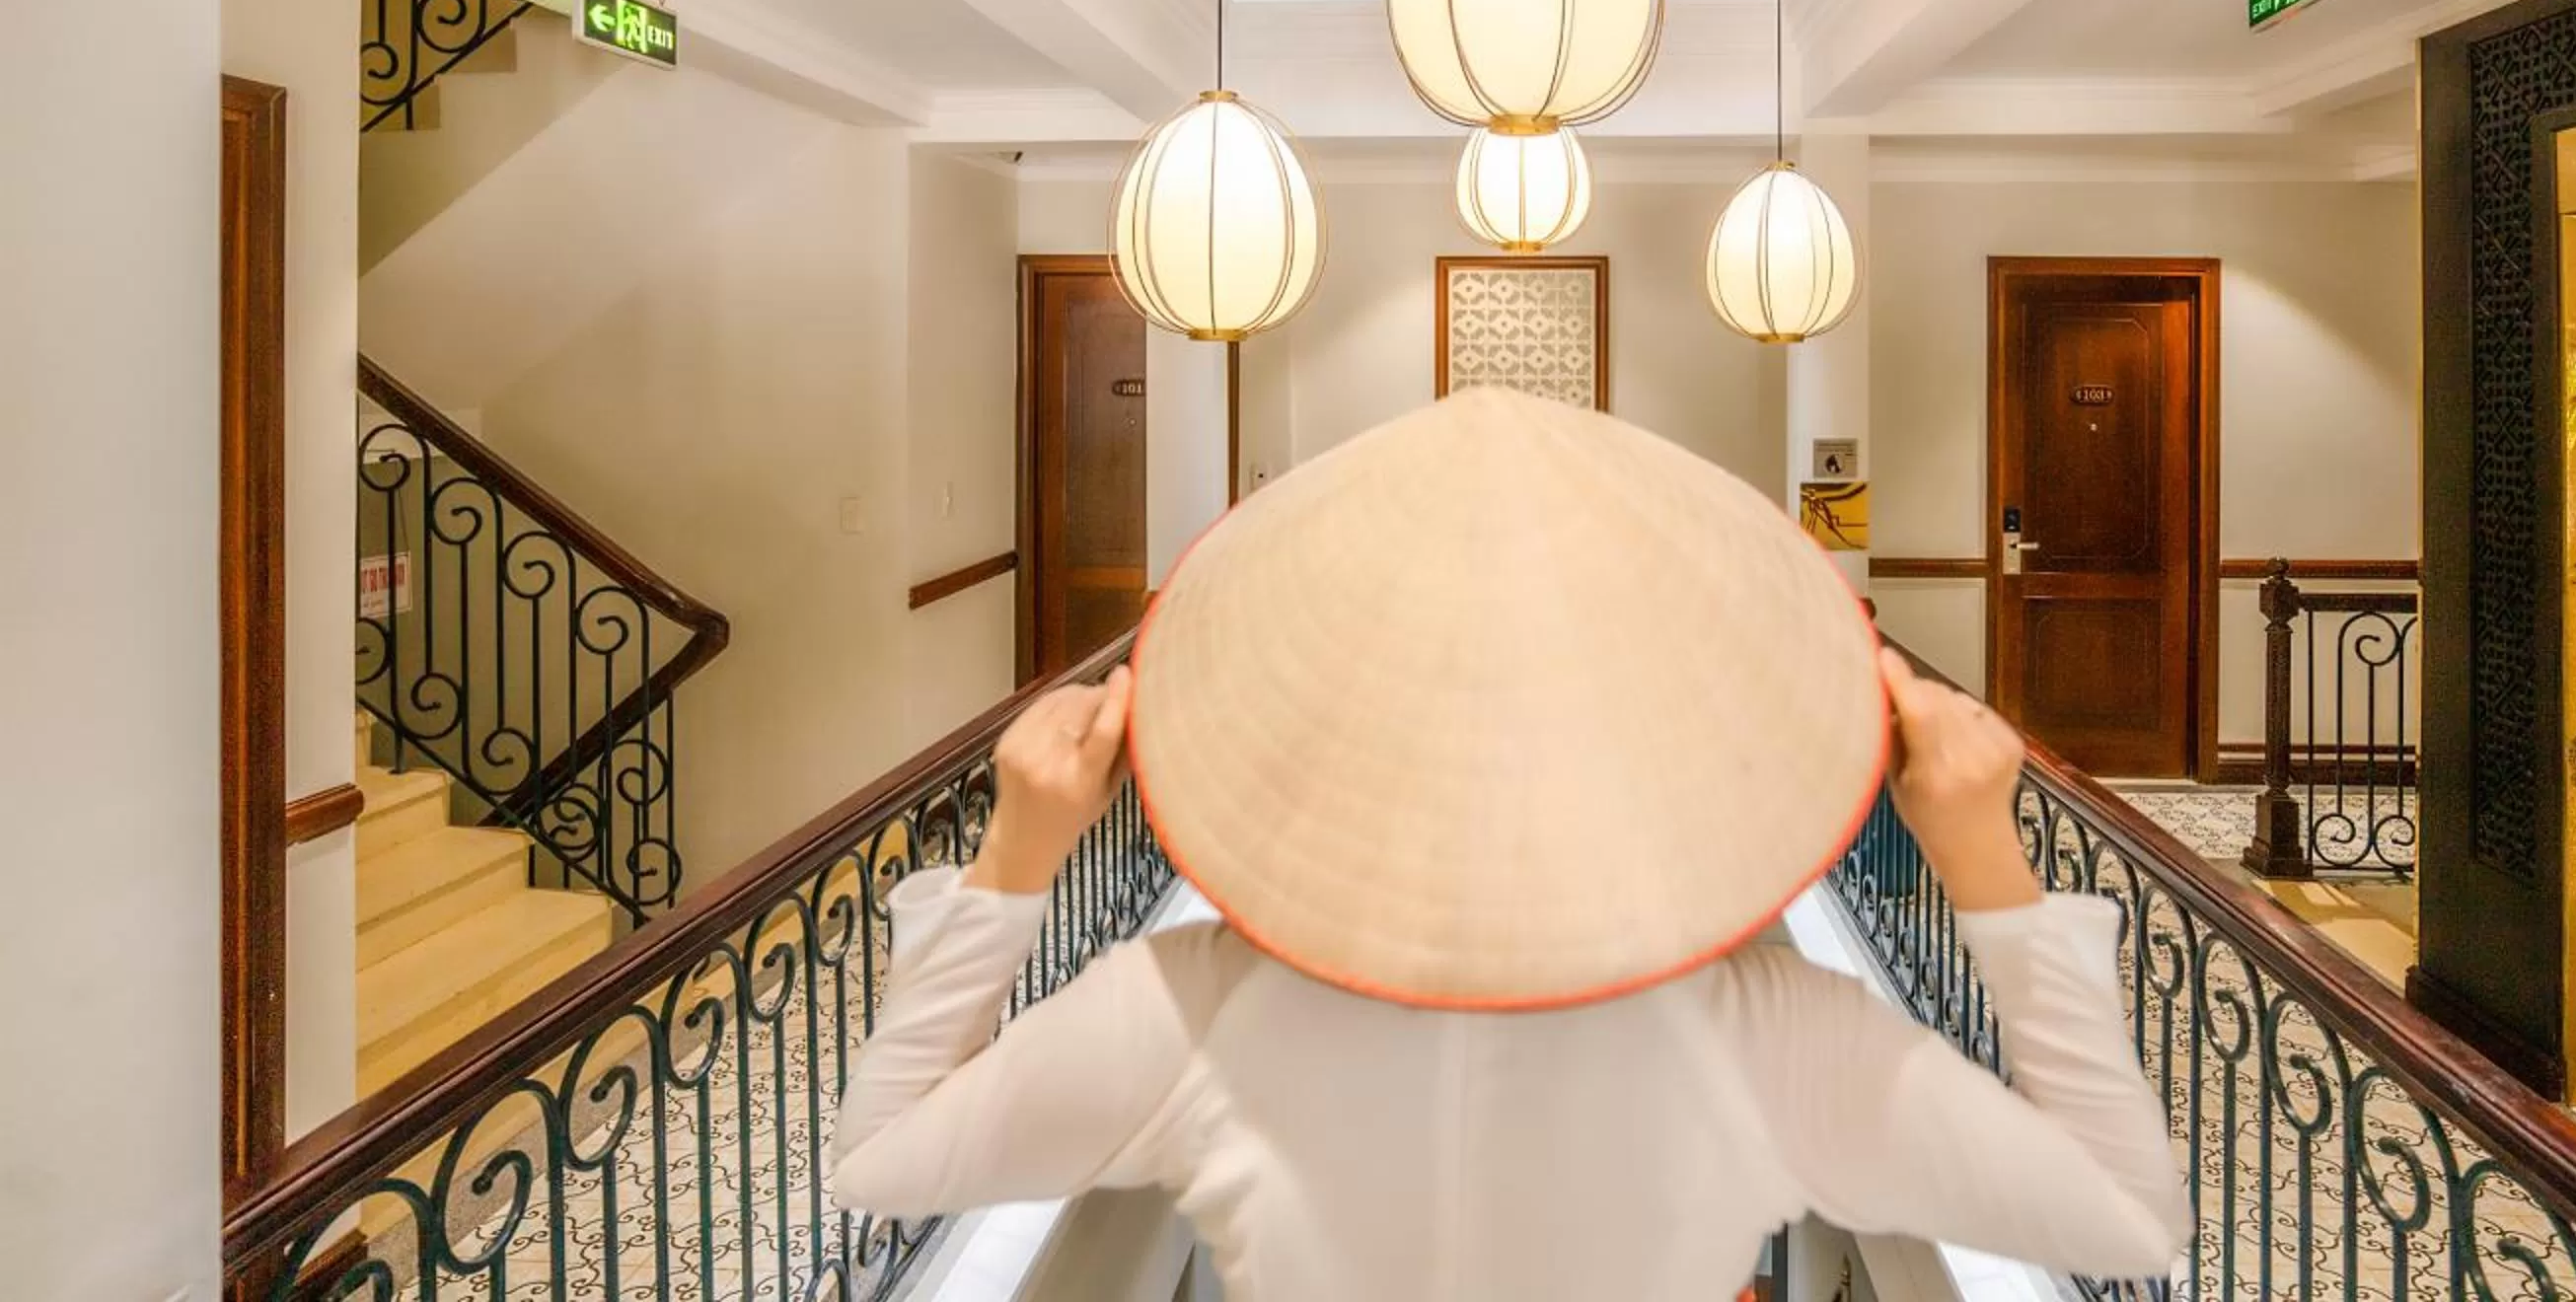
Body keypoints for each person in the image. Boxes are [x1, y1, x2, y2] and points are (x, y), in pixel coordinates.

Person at [831, 390, 2188, 1299]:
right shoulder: (1761, 1032)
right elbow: (2125, 1219)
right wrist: (1984, 864)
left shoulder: (1195, 1014)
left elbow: (880, 1160)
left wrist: (1020, 849)